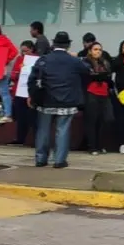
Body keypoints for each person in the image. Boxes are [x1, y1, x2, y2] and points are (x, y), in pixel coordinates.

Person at [27, 31, 89, 169]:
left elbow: (32, 79)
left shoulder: (43, 59)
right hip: (67, 101)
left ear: (54, 44)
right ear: (68, 45)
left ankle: (41, 158)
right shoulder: (74, 61)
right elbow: (87, 71)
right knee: (63, 130)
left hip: (46, 100)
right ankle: (59, 160)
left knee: (43, 130)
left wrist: (31, 95)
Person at [82, 42, 114, 155]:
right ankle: (93, 146)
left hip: (104, 93)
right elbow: (87, 76)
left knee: (107, 119)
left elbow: (109, 76)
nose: (98, 52)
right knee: (92, 120)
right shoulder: (85, 62)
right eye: (95, 49)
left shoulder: (105, 62)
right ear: (90, 51)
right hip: (92, 93)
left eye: (100, 49)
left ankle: (101, 144)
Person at [8, 40, 36, 146]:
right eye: (22, 51)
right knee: (20, 117)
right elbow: (13, 75)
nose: (24, 53)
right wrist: (19, 74)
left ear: (31, 49)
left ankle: (34, 139)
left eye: (26, 51)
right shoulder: (19, 59)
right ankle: (20, 138)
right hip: (19, 91)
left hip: (31, 93)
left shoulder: (36, 59)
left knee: (33, 117)